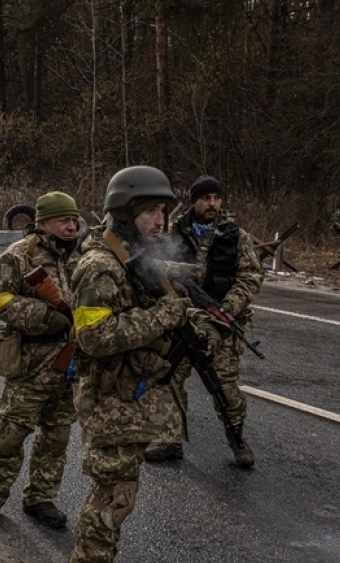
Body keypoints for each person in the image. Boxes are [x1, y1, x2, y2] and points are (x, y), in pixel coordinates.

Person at [68, 165, 221, 562]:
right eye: (152, 211)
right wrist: (167, 315)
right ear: (124, 211)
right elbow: (93, 337)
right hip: (110, 404)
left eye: (164, 211)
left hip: (128, 401)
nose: (161, 220)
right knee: (110, 506)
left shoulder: (133, 256)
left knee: (118, 502)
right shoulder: (100, 265)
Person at [0, 192, 82, 529]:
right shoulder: (20, 256)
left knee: (57, 436)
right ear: (43, 223)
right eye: (64, 220)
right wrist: (43, 316)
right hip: (31, 363)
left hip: (70, 361)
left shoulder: (83, 257)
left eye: (74, 220)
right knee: (12, 433)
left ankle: (41, 498)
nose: (71, 226)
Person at [143, 175, 262, 468]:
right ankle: (169, 439)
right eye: (206, 198)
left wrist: (228, 308)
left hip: (221, 321)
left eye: (217, 198)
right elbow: (150, 270)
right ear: (195, 200)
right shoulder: (171, 233)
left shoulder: (235, 236)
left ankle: (237, 441)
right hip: (181, 320)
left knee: (224, 387)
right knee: (166, 377)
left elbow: (250, 276)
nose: (212, 204)